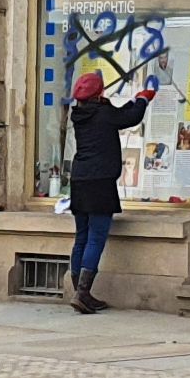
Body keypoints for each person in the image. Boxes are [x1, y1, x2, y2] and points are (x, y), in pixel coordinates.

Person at [66, 70, 153, 314]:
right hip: (100, 182)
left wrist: (124, 101)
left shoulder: (80, 114)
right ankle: (83, 293)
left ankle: (78, 291)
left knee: (81, 236)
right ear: (99, 93)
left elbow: (115, 113)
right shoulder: (104, 113)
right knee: (96, 236)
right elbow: (130, 117)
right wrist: (143, 99)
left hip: (79, 179)